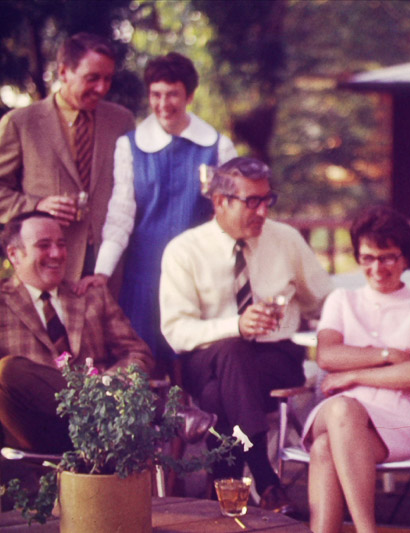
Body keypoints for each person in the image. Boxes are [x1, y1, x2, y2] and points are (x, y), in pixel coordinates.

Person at [159, 156, 332, 513]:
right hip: (206, 360)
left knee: (218, 395)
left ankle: (223, 498)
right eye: (252, 201)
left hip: (275, 358)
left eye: (268, 200)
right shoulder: (184, 251)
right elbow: (176, 331)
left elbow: (323, 301)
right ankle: (265, 479)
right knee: (232, 353)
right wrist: (235, 326)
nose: (263, 211)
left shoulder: (285, 240)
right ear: (220, 201)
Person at [79, 52, 237, 375]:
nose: (163, 104)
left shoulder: (218, 147)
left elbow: (231, 215)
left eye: (173, 94)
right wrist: (103, 272)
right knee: (142, 367)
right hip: (144, 276)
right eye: (156, 94)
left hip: (199, 275)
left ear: (189, 96)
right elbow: (121, 213)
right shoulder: (130, 146)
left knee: (196, 369)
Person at [300, 206, 410, 533]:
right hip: (340, 413)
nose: (377, 268)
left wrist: (353, 374)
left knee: (325, 447)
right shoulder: (341, 300)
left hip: (402, 421)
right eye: (367, 258)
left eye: (387, 258)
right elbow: (327, 355)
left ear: (406, 258)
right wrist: (387, 355)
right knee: (342, 409)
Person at [0, 212, 153, 453]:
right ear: (14, 254)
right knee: (8, 370)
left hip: (102, 428)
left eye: (61, 245)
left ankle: (96, 407)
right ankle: (166, 415)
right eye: (44, 245)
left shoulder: (91, 295)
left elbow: (137, 353)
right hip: (33, 430)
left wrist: (108, 381)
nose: (56, 254)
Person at [0, 33, 135, 283]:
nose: (102, 88)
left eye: (107, 79)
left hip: (108, 267)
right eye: (92, 78)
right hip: (47, 264)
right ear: (63, 72)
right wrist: (35, 206)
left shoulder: (122, 121)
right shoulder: (21, 123)